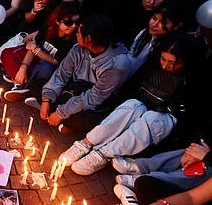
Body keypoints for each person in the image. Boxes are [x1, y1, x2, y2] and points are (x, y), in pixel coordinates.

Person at [60, 34, 197, 175]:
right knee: (133, 105)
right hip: (146, 104)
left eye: (174, 63)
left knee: (151, 117)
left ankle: (105, 154)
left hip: (165, 119)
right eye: (163, 59)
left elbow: (185, 118)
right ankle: (87, 143)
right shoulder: (154, 65)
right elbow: (136, 89)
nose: (166, 66)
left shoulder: (195, 82)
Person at [38, 15, 130, 135]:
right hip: (75, 91)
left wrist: (61, 113)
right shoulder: (78, 48)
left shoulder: (117, 64)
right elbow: (62, 74)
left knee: (95, 122)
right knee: (43, 88)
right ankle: (64, 122)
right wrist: (46, 99)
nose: (76, 34)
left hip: (99, 104)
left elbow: (94, 97)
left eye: (79, 33)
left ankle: (68, 123)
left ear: (89, 38)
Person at [3, 1, 81, 102]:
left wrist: (35, 50)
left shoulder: (73, 39)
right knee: (7, 53)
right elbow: (33, 44)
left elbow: (55, 61)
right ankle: (20, 83)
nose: (74, 26)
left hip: (49, 66)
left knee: (44, 70)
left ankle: (21, 84)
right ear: (57, 21)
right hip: (36, 59)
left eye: (77, 22)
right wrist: (23, 68)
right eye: (68, 22)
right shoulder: (49, 27)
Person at [127, 0, 186, 75]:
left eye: (163, 22)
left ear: (177, 26)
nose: (154, 25)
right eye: (154, 18)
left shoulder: (170, 49)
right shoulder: (144, 33)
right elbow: (131, 55)